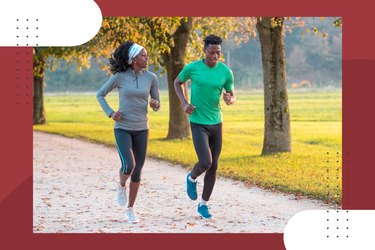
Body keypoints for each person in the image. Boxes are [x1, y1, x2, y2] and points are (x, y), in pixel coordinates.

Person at [97, 41, 160, 223]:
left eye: (146, 55)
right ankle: (121, 184)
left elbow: (156, 103)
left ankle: (131, 209)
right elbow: (100, 94)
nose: (147, 58)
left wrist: (155, 104)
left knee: (138, 171)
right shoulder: (119, 77)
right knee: (128, 166)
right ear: (134, 59)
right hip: (123, 128)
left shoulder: (151, 78)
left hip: (142, 128)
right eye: (143, 55)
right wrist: (111, 113)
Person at [174, 34, 236, 219]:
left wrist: (229, 99)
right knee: (206, 162)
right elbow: (178, 82)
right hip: (198, 122)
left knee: (214, 165)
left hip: (216, 122)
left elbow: (232, 95)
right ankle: (191, 178)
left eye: (218, 53)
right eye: (211, 52)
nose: (215, 56)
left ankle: (203, 204)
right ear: (204, 50)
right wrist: (184, 103)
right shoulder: (192, 68)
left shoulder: (225, 71)